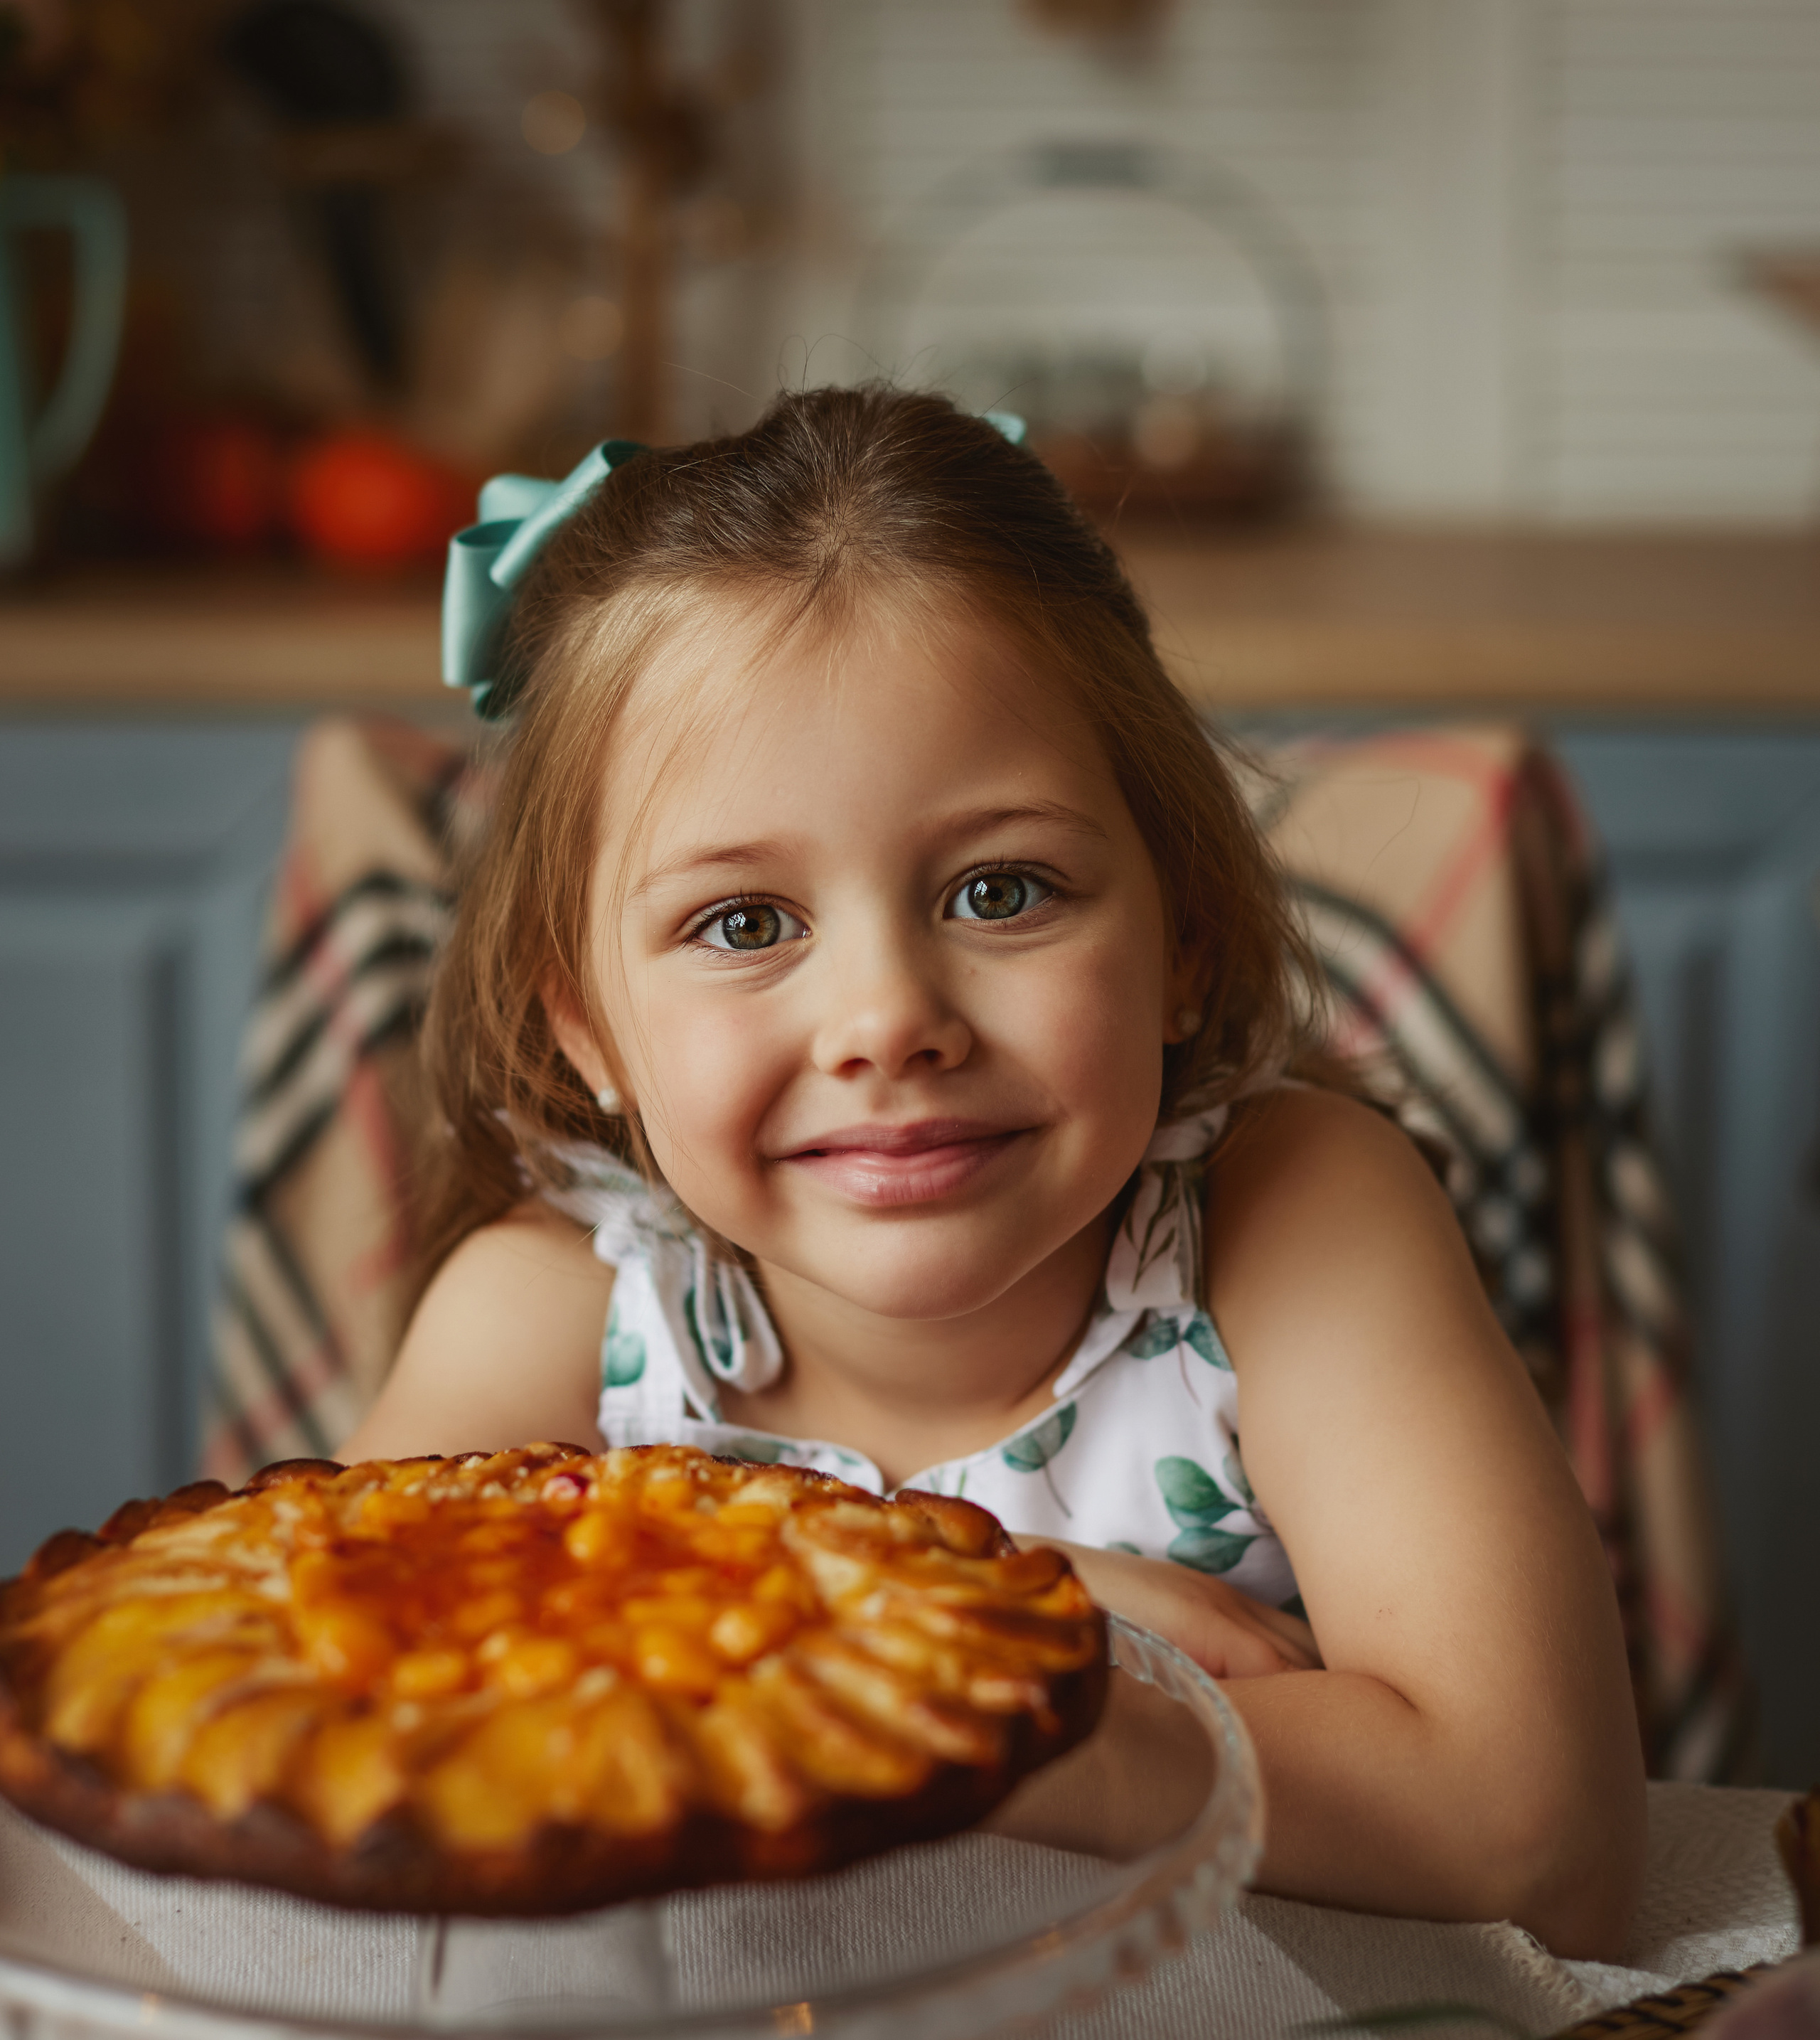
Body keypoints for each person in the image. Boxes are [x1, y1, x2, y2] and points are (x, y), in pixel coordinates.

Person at [344, 385, 1645, 1958]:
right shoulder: (550, 1311)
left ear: (1184, 939)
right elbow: (364, 1730)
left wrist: (996, 1725)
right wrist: (954, 1622)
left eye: (1001, 890)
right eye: (744, 923)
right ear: (587, 1029)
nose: (888, 1019)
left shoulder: (1292, 1225)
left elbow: (1541, 1837)